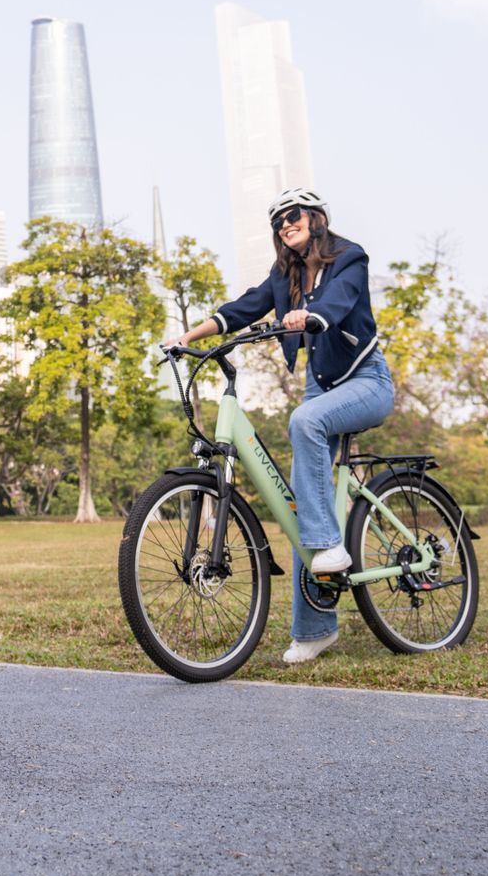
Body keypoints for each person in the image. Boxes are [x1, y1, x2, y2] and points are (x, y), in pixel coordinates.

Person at [166, 186, 393, 665]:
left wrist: (310, 315)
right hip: (321, 386)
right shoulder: (284, 274)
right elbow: (244, 307)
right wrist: (190, 335)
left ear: (315, 218)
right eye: (277, 222)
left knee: (304, 422)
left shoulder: (349, 259)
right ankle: (315, 629)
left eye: (291, 216)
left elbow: (337, 302)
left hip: (367, 382)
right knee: (298, 503)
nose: (284, 225)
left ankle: (330, 544)